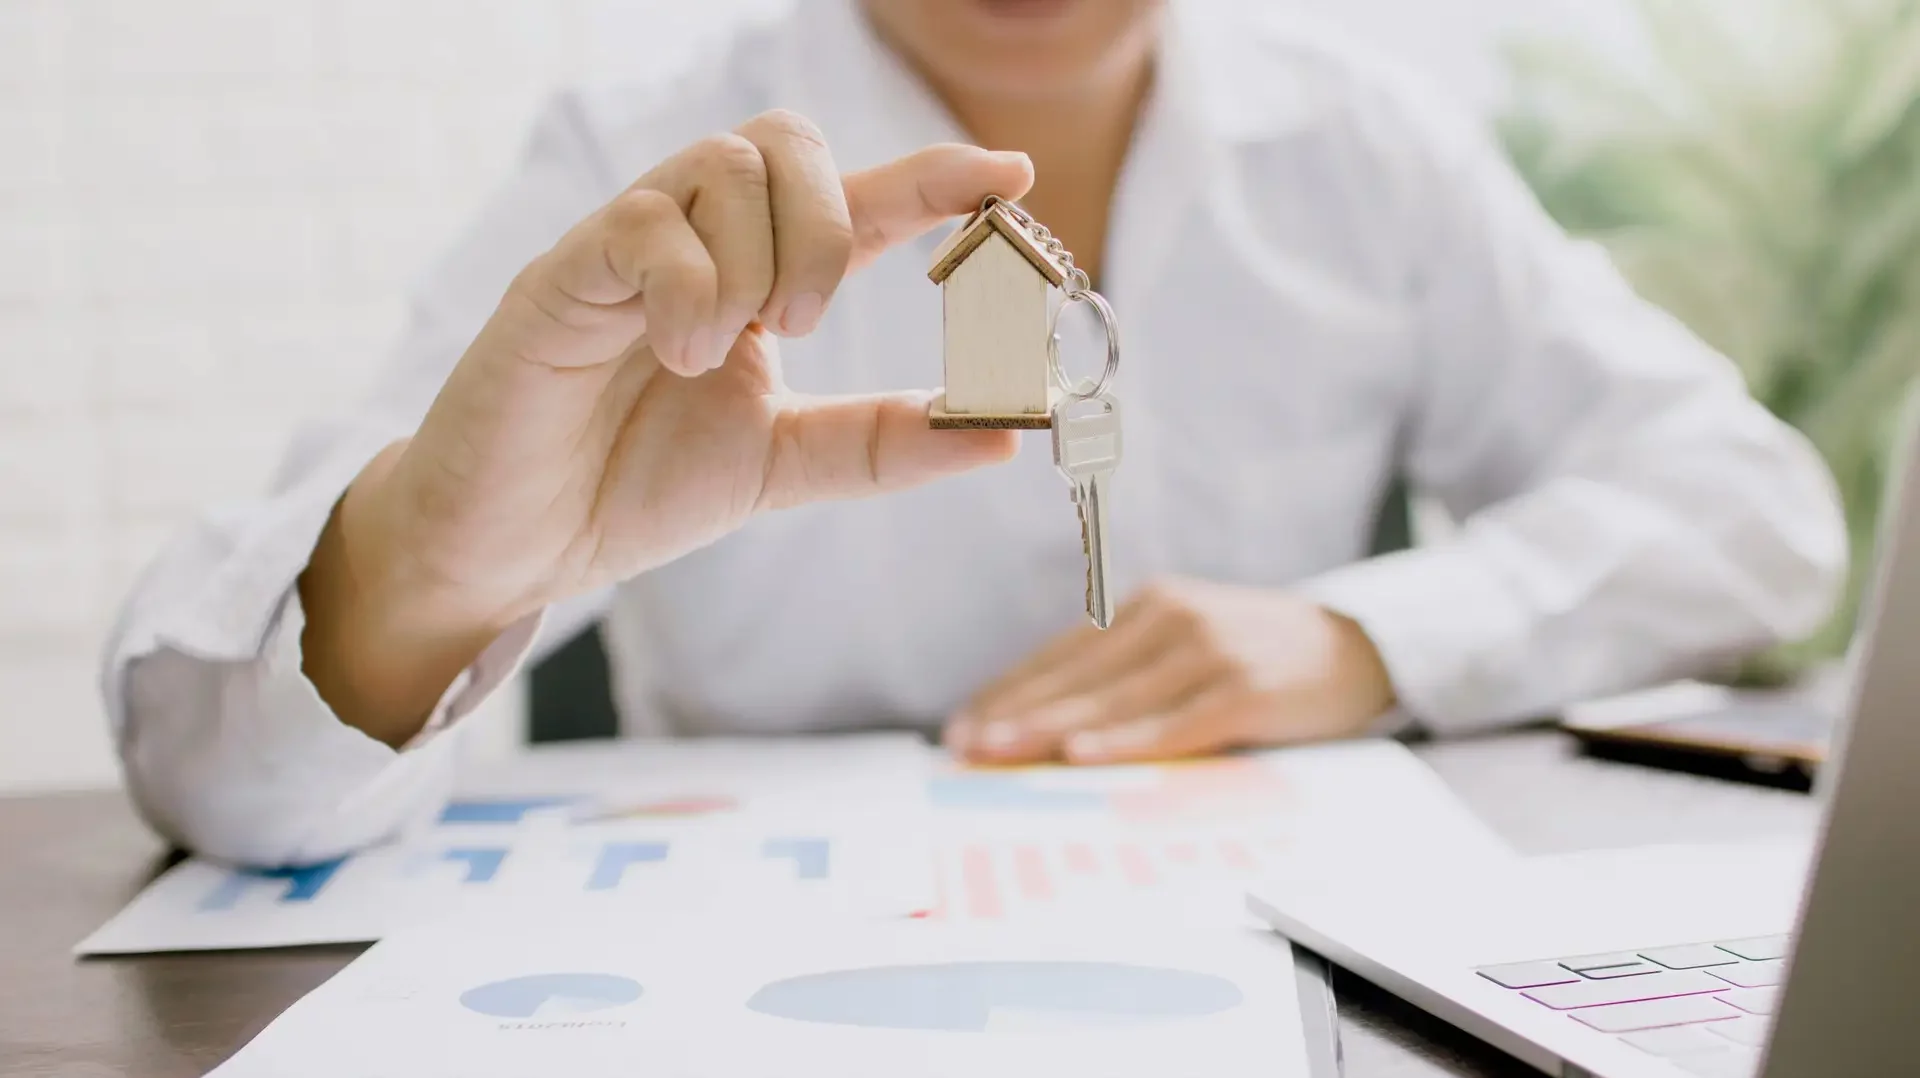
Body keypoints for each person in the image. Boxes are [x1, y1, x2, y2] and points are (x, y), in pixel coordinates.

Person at [104, 0, 1845, 867]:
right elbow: (211, 762)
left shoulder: (1369, 144)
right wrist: (439, 564)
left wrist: (1367, 632)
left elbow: (1756, 506)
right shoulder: (629, 155)